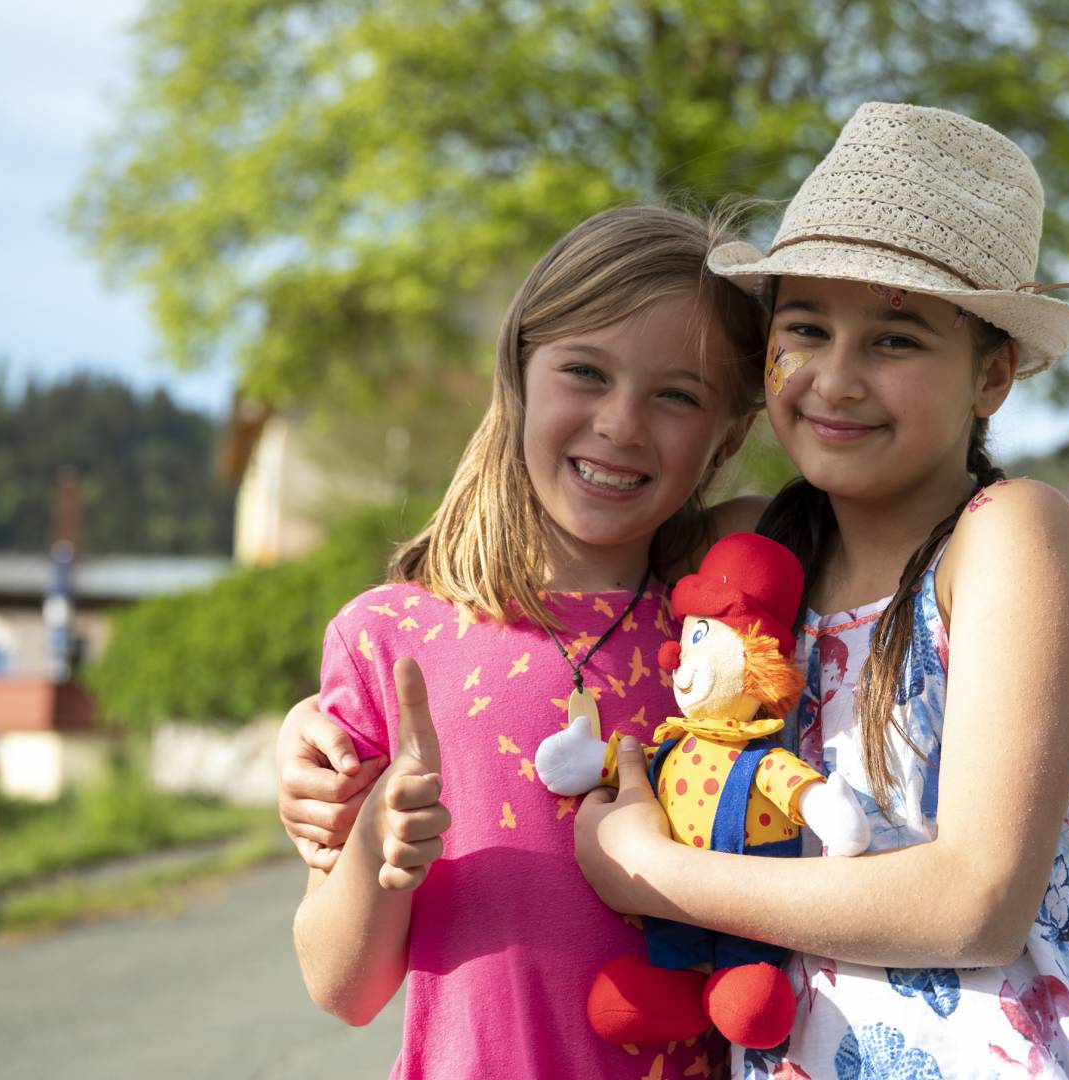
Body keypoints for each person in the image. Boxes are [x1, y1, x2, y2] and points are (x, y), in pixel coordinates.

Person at [286, 104, 1069, 1077]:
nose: (837, 379)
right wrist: (322, 738)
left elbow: (977, 901)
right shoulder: (750, 559)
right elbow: (544, 604)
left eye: (897, 340)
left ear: (994, 373)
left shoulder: (1011, 536)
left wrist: (654, 871)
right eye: (806, 328)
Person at [288, 205, 770, 1080]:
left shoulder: (731, 643)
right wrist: (377, 848)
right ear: (516, 375)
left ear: (729, 436)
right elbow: (342, 988)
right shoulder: (388, 639)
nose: (622, 424)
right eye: (586, 371)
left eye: (677, 395)